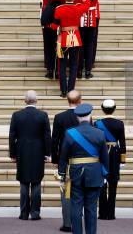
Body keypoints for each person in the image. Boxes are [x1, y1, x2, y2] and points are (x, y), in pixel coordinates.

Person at [58, 103, 108, 234]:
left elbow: (62, 157)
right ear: (90, 116)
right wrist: (104, 175)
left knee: (76, 208)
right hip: (95, 174)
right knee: (91, 208)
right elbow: (105, 158)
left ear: (77, 118)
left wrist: (61, 175)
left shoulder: (70, 133)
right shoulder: (100, 133)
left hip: (75, 174)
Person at [9, 90, 52, 221]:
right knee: (37, 182)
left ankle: (23, 213)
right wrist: (48, 153)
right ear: (36, 100)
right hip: (38, 151)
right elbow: (47, 136)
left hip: (22, 150)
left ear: (25, 100)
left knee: (23, 182)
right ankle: (35, 213)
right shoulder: (43, 115)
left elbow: (12, 136)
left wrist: (13, 153)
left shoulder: (17, 115)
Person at [51, 0, 92, 96]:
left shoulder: (59, 9)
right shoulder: (78, 7)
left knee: (62, 65)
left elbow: (54, 26)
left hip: (64, 38)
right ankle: (71, 89)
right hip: (75, 39)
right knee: (74, 65)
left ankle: (63, 90)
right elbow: (87, 4)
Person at [52, 90, 82, 232]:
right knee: (80, 192)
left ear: (67, 101)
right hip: (83, 159)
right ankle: (78, 221)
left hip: (65, 160)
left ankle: (67, 223)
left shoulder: (59, 117)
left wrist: (55, 159)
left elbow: (55, 140)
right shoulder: (85, 116)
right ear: (80, 101)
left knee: (66, 192)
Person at [94, 99, 126, 220]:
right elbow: (122, 143)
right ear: (114, 108)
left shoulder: (97, 123)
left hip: (101, 154)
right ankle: (111, 213)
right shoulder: (119, 123)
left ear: (102, 109)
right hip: (114, 155)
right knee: (113, 184)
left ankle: (102, 213)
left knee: (101, 183)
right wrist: (122, 160)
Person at [38, 0, 65, 79]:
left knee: (51, 47)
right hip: (54, 23)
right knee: (53, 47)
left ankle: (52, 69)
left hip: (54, 23)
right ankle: (53, 69)